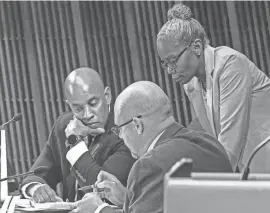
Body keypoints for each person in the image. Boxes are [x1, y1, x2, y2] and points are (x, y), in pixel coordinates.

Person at [70, 81, 232, 213]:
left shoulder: (149, 165)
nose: (120, 136)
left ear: (137, 125)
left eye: (120, 130)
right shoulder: (210, 143)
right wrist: (127, 198)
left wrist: (99, 209)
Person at [156, 3, 270, 172]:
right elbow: (211, 138)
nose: (170, 70)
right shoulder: (191, 83)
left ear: (196, 47)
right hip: (250, 170)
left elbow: (230, 140)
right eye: (165, 63)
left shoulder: (230, 64)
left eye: (173, 60)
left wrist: (209, 185)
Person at [21, 67, 135, 203]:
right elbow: (37, 174)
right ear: (69, 106)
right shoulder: (64, 125)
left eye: (93, 104)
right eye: (78, 109)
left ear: (107, 96)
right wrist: (35, 188)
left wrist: (74, 143)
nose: (87, 114)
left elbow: (101, 190)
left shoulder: (125, 131)